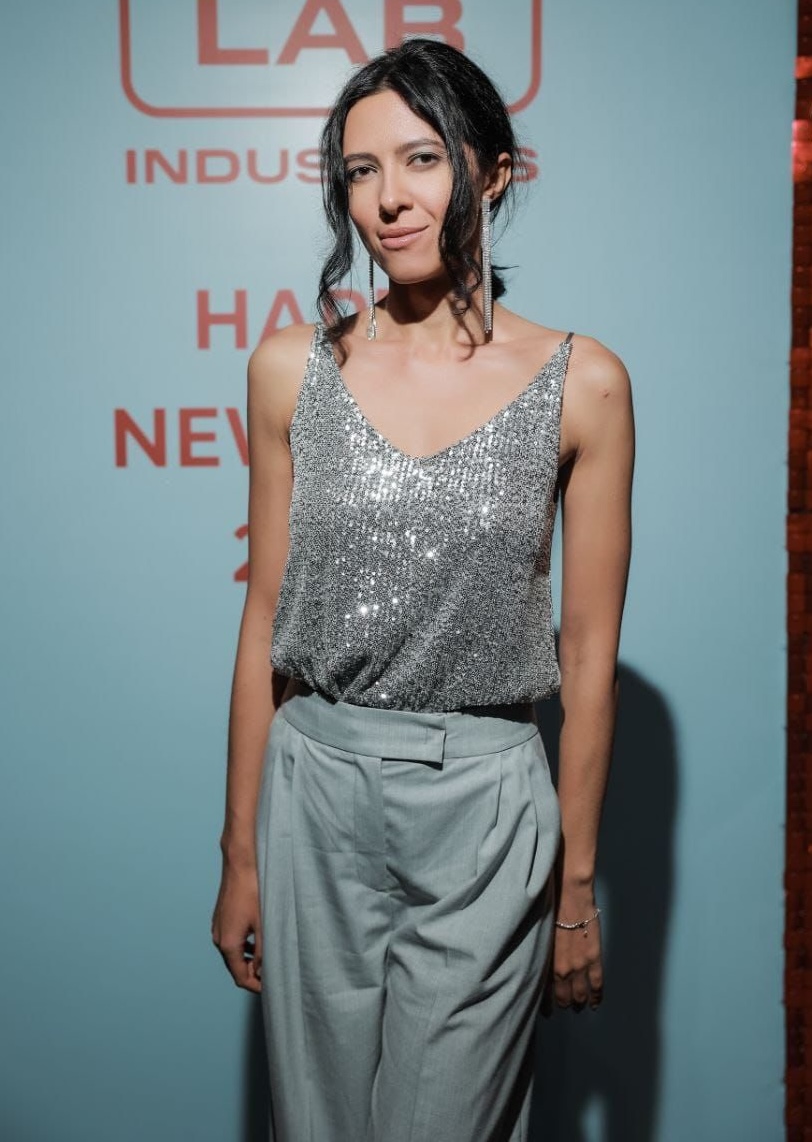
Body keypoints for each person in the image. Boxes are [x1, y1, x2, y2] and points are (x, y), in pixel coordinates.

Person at [211, 36, 634, 1142]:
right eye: (360, 170)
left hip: (485, 803)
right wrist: (240, 854)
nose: (388, 198)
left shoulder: (582, 382)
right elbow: (262, 622)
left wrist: (575, 889)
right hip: (313, 785)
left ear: (490, 171)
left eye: (421, 158)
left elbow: (587, 655)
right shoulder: (290, 369)